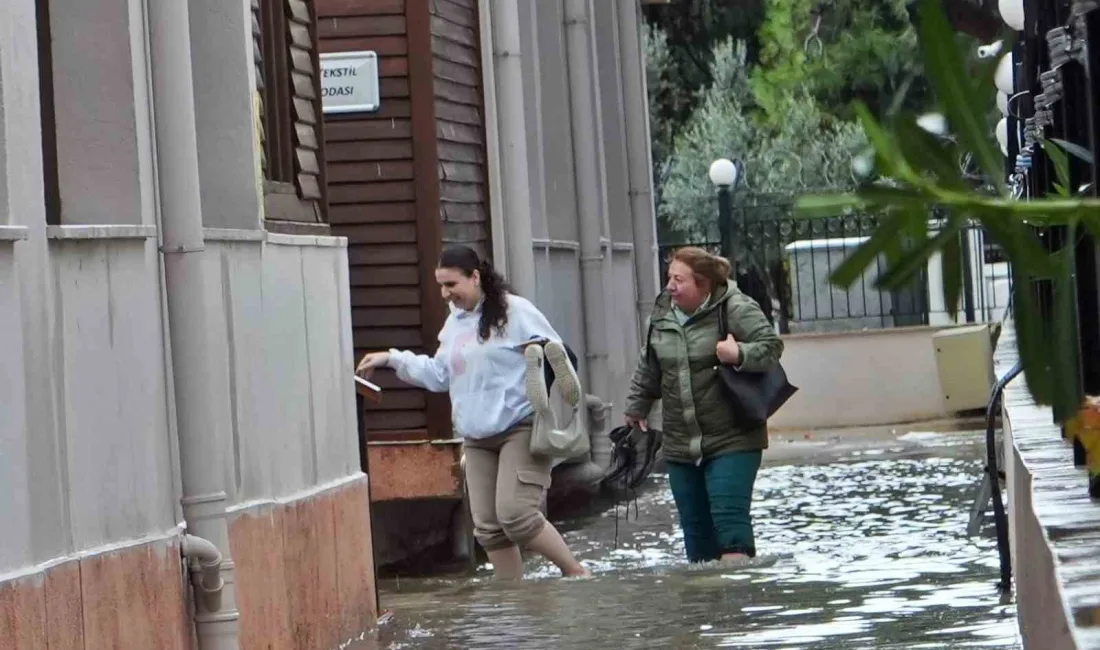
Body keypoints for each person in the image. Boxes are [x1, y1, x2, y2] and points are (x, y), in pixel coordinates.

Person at [356, 245, 591, 580]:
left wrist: (543, 375)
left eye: (451, 284)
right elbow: (440, 375)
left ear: (475, 277)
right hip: (477, 437)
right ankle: (512, 599)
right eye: (440, 285)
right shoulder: (455, 323)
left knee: (517, 516)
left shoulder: (516, 312)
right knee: (488, 528)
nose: (445, 294)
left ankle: (576, 573)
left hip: (519, 428)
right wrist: (392, 359)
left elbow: (562, 359)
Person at [624, 246, 783, 564]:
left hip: (733, 438)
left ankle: (739, 601)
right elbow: (650, 364)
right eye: (669, 278)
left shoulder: (735, 307)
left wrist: (739, 355)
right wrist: (637, 404)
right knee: (696, 536)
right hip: (681, 444)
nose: (670, 286)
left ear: (703, 285)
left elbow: (771, 346)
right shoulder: (663, 313)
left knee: (729, 525)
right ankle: (706, 610)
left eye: (679, 280)